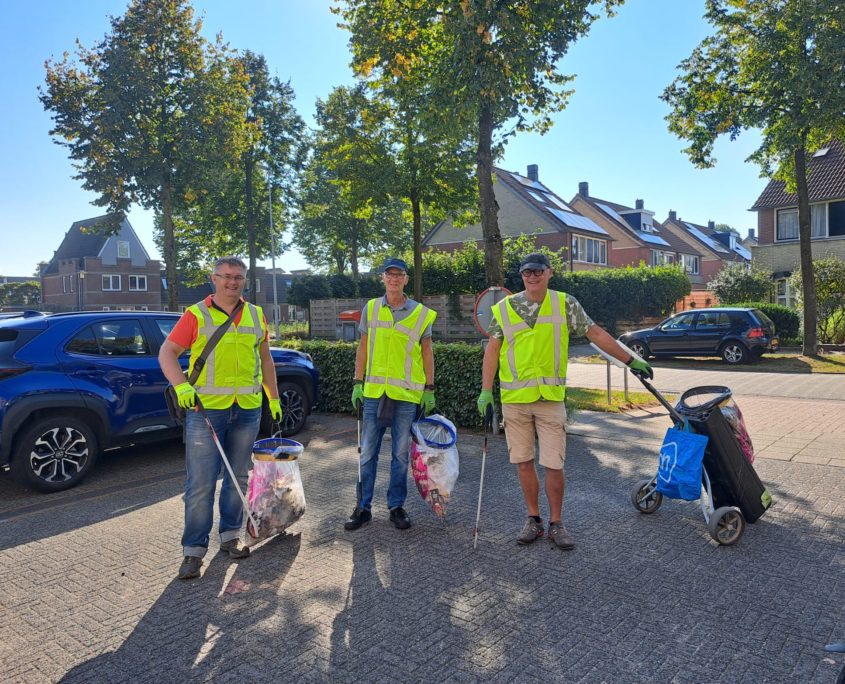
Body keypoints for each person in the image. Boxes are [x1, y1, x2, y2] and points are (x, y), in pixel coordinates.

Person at [477, 252, 653, 550]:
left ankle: (556, 524)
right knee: (523, 463)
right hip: (515, 399)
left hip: (550, 398)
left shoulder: (565, 303)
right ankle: (533, 519)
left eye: (537, 271)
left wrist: (630, 359)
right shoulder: (505, 308)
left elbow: (595, 333)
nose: (531, 277)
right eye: (526, 273)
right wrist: (484, 391)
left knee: (554, 464)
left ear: (549, 272)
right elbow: (492, 351)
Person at [159, 256, 282, 580]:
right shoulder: (195, 314)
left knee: (238, 476)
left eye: (238, 277)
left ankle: (230, 536)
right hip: (206, 411)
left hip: (247, 408)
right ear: (213, 279)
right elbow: (166, 353)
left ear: (245, 280)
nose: (232, 282)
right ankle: (193, 551)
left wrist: (274, 396)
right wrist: (181, 385)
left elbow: (265, 358)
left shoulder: (256, 315)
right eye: (226, 276)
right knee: (200, 483)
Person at [345, 257, 437, 532]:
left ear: (406, 279)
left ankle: (396, 506)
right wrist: (357, 381)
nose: (394, 279)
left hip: (407, 394)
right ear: (383, 278)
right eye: (390, 274)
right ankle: (363, 508)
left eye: (400, 275)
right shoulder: (371, 309)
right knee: (367, 453)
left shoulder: (421, 313)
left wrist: (429, 388)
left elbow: (427, 352)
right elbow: (363, 347)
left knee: (399, 454)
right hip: (374, 392)